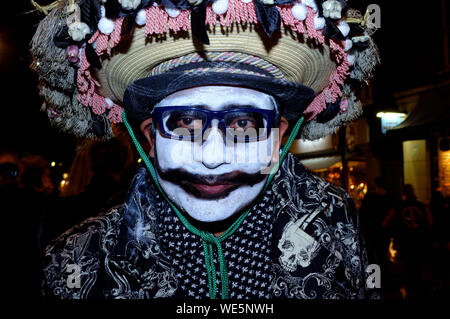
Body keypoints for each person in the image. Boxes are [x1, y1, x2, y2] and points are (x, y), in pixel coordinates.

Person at [30, 0, 380, 299]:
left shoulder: (338, 231)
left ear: (277, 138)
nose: (212, 158)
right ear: (150, 139)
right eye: (184, 124)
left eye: (244, 124)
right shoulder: (74, 262)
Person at [382, 184, 434, 298]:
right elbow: (430, 222)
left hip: (404, 240)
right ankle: (418, 286)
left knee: (407, 263)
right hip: (419, 240)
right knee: (417, 264)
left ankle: (409, 286)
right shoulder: (421, 206)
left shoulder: (398, 206)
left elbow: (386, 222)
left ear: (403, 193)